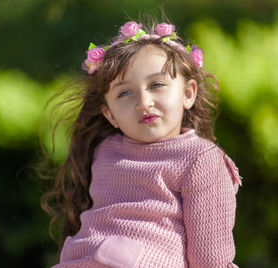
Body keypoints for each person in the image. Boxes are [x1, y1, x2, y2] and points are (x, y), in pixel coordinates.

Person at [43, 17, 242, 268]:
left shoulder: (200, 159)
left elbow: (211, 259)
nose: (143, 102)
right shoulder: (104, 151)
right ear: (109, 114)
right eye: (125, 92)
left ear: (188, 93)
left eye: (157, 84)